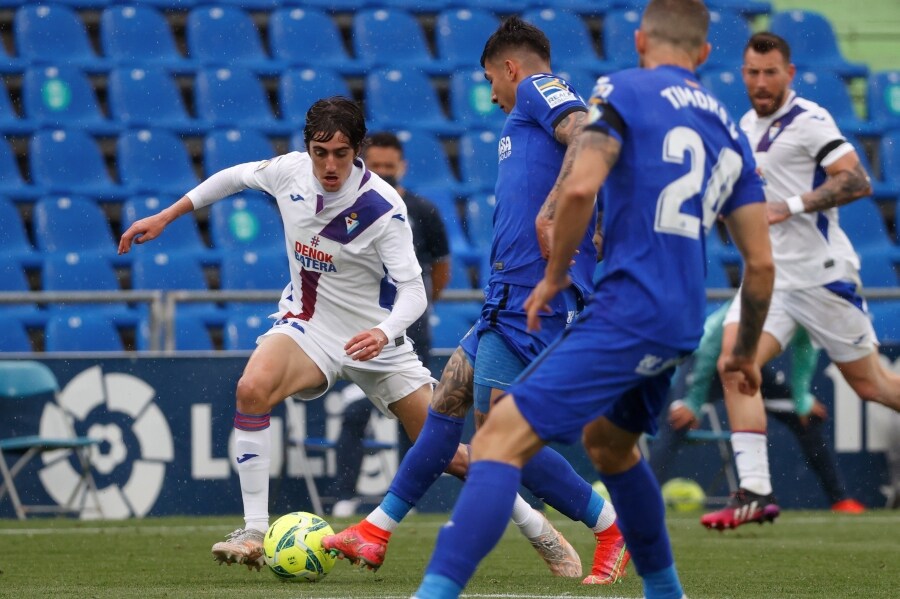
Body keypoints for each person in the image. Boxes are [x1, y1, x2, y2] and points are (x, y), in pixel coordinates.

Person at [410, 1, 775, 597]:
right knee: (610, 446)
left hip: (627, 310)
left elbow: (580, 183)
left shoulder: (621, 90)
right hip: (683, 318)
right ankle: (665, 590)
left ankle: (435, 592)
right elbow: (760, 263)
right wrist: (746, 351)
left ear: (639, 42)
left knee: (498, 437)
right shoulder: (727, 128)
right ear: (705, 55)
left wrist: (555, 270)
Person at [324, 16, 631, 585]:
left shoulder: (540, 89)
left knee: (499, 438)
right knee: (448, 403)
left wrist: (553, 210)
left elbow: (587, 131)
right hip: (508, 294)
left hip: (537, 294)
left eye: (491, 79)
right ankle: (376, 529)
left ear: (511, 68)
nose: (490, 93)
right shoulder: (526, 115)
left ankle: (612, 525)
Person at [118, 97, 464, 570]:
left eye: (341, 153)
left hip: (374, 341)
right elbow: (232, 178)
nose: (329, 164)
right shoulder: (288, 171)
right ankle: (255, 531)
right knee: (252, 388)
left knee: (448, 455)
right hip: (310, 327)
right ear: (307, 148)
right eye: (320, 152)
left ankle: (537, 527)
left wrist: (384, 333)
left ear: (358, 150)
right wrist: (166, 215)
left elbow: (414, 291)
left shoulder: (384, 205)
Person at [700, 31, 900, 531]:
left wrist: (786, 207)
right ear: (742, 74)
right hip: (769, 279)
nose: (761, 81)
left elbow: (858, 180)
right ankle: (754, 490)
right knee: (734, 363)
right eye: (752, 72)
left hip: (821, 276)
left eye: (771, 72)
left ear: (789, 73)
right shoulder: (744, 125)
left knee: (873, 385)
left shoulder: (810, 120)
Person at [331, 132, 452, 518]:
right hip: (358, 328)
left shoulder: (422, 210)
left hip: (411, 334)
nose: (383, 172)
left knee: (412, 419)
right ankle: (344, 496)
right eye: (377, 165)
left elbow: (441, 266)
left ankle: (405, 498)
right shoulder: (349, 207)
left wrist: (416, 305)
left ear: (402, 167)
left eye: (389, 166)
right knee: (353, 414)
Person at [655, 300, 866, 513]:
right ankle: (642, 501)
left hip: (748, 364)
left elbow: (805, 347)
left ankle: (840, 500)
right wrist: (694, 401)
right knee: (678, 420)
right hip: (705, 361)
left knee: (807, 419)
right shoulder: (757, 296)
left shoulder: (805, 304)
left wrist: (801, 400)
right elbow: (713, 344)